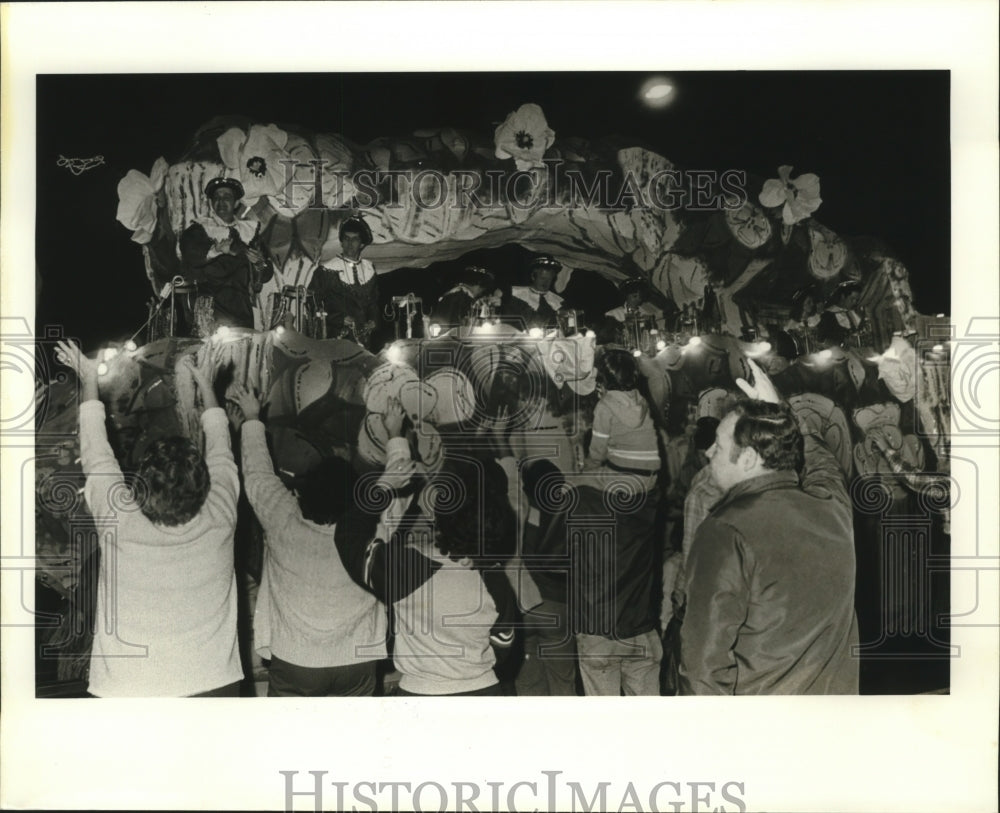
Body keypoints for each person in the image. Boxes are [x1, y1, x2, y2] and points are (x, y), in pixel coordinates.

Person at [55, 340, 243, 697]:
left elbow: (96, 453)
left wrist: (88, 378)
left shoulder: (119, 521)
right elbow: (222, 451)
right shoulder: (220, 516)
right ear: (203, 484)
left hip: (129, 691)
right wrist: (207, 385)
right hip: (212, 687)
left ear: (138, 486)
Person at [679, 358, 860, 695]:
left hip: (763, 732)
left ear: (748, 459)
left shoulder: (725, 531)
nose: (708, 453)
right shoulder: (832, 507)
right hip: (837, 723)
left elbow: (703, 668)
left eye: (719, 445)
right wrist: (782, 409)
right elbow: (824, 465)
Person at [335, 399, 518, 696]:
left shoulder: (405, 568)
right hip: (485, 693)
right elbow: (503, 646)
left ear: (440, 520)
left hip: (419, 698)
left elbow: (350, 533)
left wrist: (384, 483)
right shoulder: (495, 581)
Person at [228, 384, 387, 697]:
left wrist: (251, 418)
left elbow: (258, 473)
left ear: (306, 491)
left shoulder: (282, 517)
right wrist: (395, 438)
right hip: (359, 657)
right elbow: (397, 485)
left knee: (291, 744)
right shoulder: (371, 526)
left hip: (297, 659)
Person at [572, 349, 663, 695]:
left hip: (599, 630)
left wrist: (585, 470)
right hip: (641, 627)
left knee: (606, 732)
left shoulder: (583, 502)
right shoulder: (648, 502)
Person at [180, 177, 273, 333]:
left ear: (236, 203)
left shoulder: (249, 233)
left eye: (227, 197)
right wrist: (215, 251)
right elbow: (190, 255)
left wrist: (259, 263)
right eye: (216, 197)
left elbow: (266, 273)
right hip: (209, 311)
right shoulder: (199, 230)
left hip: (241, 311)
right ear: (211, 203)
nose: (221, 201)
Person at [308, 216, 380, 347]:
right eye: (346, 239)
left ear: (362, 244)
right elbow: (312, 304)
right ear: (341, 242)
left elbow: (374, 303)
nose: (350, 243)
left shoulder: (369, 268)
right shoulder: (326, 270)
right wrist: (338, 319)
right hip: (335, 340)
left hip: (364, 342)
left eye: (355, 239)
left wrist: (373, 321)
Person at [503, 254, 565, 332]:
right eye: (543, 278)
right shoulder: (515, 294)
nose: (546, 282)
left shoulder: (558, 301)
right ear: (533, 277)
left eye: (549, 279)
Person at [432, 266, 499, 330]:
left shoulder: (456, 295)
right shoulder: (460, 297)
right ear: (477, 284)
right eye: (482, 288)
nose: (480, 292)